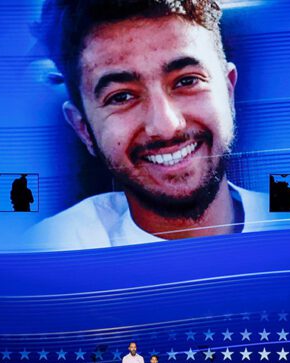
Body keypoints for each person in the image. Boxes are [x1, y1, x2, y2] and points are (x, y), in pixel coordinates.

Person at [31, 0, 270, 250]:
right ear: (83, 130)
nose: (167, 126)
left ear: (228, 91)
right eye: (121, 97)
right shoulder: (46, 253)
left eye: (187, 81)